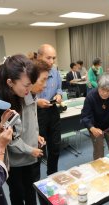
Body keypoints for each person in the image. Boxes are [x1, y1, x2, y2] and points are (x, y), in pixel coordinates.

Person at [0, 55, 47, 205]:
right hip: (15, 158)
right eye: (28, 84)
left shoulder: (28, 94)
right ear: (10, 82)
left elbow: (30, 121)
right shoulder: (6, 103)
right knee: (17, 191)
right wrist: (30, 149)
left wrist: (35, 135)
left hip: (30, 154)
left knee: (32, 187)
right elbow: (10, 138)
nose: (41, 85)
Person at [81, 73, 109, 160]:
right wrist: (92, 128)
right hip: (95, 127)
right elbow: (85, 116)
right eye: (102, 90)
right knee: (99, 152)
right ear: (98, 87)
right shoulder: (91, 96)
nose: (105, 93)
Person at [36, 44, 63, 176]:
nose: (52, 62)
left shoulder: (55, 72)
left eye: (54, 58)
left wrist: (59, 95)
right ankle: (35, 180)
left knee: (55, 147)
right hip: (36, 114)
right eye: (48, 58)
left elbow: (59, 88)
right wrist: (37, 102)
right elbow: (23, 98)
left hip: (52, 111)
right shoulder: (31, 73)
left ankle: (52, 175)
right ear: (39, 57)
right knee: (39, 149)